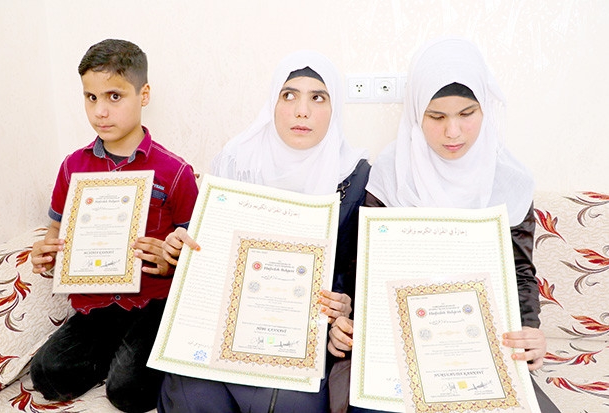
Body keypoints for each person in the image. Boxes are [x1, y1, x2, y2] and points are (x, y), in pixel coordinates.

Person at [328, 37, 561, 412]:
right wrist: (345, 321)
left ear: (485, 109)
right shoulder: (391, 175)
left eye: (467, 113)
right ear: (416, 115)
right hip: (397, 342)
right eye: (436, 117)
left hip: (476, 346)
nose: (453, 132)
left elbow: (519, 271)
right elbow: (362, 273)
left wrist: (530, 332)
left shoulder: (507, 181)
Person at [157, 50, 371, 413]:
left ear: (335, 107)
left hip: (303, 335)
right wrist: (180, 244)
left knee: (289, 404)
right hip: (222, 325)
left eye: (318, 98)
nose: (302, 111)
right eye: (289, 95)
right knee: (193, 396)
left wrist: (346, 305)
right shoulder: (238, 161)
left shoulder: (355, 175)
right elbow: (206, 242)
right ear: (273, 101)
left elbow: (357, 274)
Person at [29, 39, 198, 413]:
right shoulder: (73, 167)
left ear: (144, 95)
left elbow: (196, 254)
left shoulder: (175, 171)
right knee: (47, 376)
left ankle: (135, 360)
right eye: (91, 98)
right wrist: (46, 254)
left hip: (152, 303)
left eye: (114, 97)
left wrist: (169, 260)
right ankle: (120, 355)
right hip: (96, 306)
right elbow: (55, 235)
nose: (100, 111)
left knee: (129, 393)